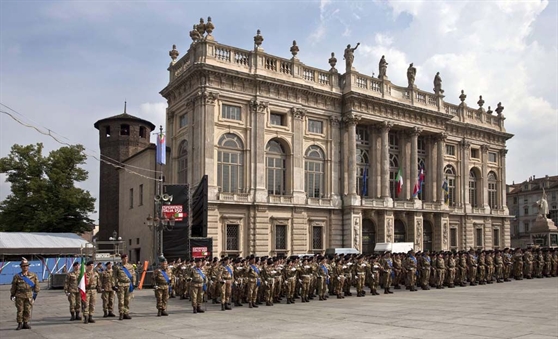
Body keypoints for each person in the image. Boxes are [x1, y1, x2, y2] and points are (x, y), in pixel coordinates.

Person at [10, 258, 39, 331]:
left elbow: (37, 286)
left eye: (26, 266)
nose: (25, 267)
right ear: (21, 267)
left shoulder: (33, 275)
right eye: (23, 266)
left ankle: (25, 323)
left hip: (29, 295)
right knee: (20, 310)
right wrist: (12, 294)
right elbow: (14, 286)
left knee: (27, 310)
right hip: (19, 295)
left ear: (28, 267)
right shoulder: (17, 276)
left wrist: (34, 296)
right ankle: (20, 323)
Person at [112, 253, 136, 320]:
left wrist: (134, 283)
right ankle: (121, 313)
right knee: (121, 300)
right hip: (121, 285)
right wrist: (114, 285)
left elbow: (133, 275)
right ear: (122, 259)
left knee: (127, 300)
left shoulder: (130, 266)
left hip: (128, 285)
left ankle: (126, 313)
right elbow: (114, 276)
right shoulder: (118, 267)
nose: (125, 260)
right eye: (124, 258)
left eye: (127, 258)